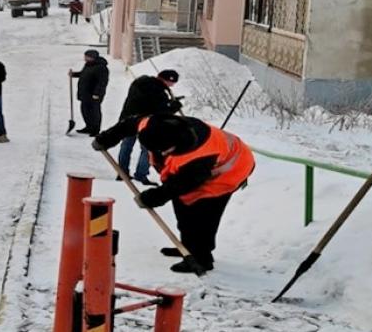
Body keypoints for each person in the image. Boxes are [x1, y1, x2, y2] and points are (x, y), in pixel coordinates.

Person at [93, 114, 255, 273]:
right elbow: (129, 124)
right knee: (183, 207)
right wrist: (106, 138)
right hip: (196, 171)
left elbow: (180, 185)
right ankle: (187, 248)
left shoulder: (198, 155)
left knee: (203, 213)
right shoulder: (154, 124)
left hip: (231, 171)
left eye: (162, 151)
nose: (159, 154)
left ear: (172, 146)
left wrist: (154, 197)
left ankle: (202, 258)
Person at [117, 69, 182, 185]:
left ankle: (121, 173)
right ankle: (141, 175)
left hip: (127, 119)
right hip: (145, 124)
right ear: (167, 80)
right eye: (172, 83)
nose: (172, 85)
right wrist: (174, 107)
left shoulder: (140, 82)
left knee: (126, 146)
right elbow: (161, 112)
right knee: (147, 150)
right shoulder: (159, 92)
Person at [68, 49, 109, 136]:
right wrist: (74, 74)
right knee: (85, 110)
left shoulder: (101, 67)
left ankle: (95, 130)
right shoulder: (88, 65)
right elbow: (83, 74)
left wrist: (97, 94)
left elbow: (102, 82)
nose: (85, 58)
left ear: (92, 57)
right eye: (85, 56)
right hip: (85, 93)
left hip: (94, 94)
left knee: (94, 112)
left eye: (86, 57)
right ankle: (88, 127)